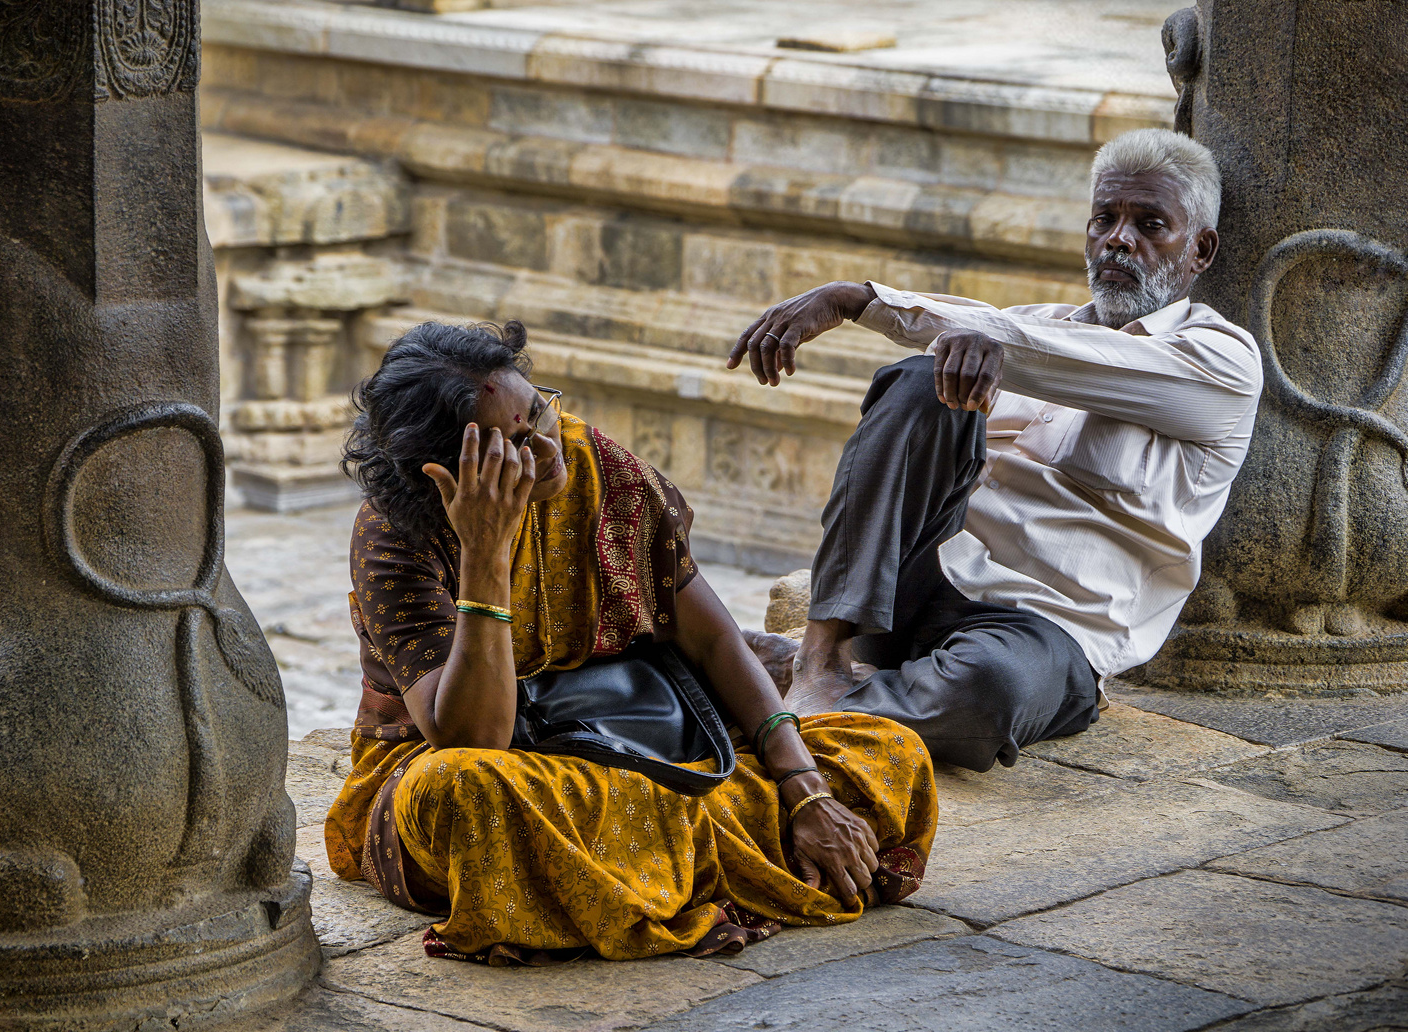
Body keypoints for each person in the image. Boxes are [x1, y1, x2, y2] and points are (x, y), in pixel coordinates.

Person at [322, 320, 936, 963]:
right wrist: (485, 553)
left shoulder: (599, 467)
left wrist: (804, 789)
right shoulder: (396, 536)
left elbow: (716, 645)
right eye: (514, 445)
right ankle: (702, 849)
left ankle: (648, 863)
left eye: (540, 412)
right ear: (446, 472)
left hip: (631, 752)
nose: (549, 448)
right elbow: (476, 738)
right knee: (465, 793)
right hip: (502, 772)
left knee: (887, 750)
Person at [727, 128, 1263, 772]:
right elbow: (999, 340)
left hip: (1042, 631)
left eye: (1150, 224)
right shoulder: (1034, 324)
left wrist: (867, 302)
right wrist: (866, 302)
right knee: (922, 381)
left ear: (1200, 249)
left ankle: (795, 688)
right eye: (1105, 219)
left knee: (990, 693)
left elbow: (1073, 360)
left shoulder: (1221, 360)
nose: (1120, 239)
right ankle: (818, 660)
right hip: (919, 586)